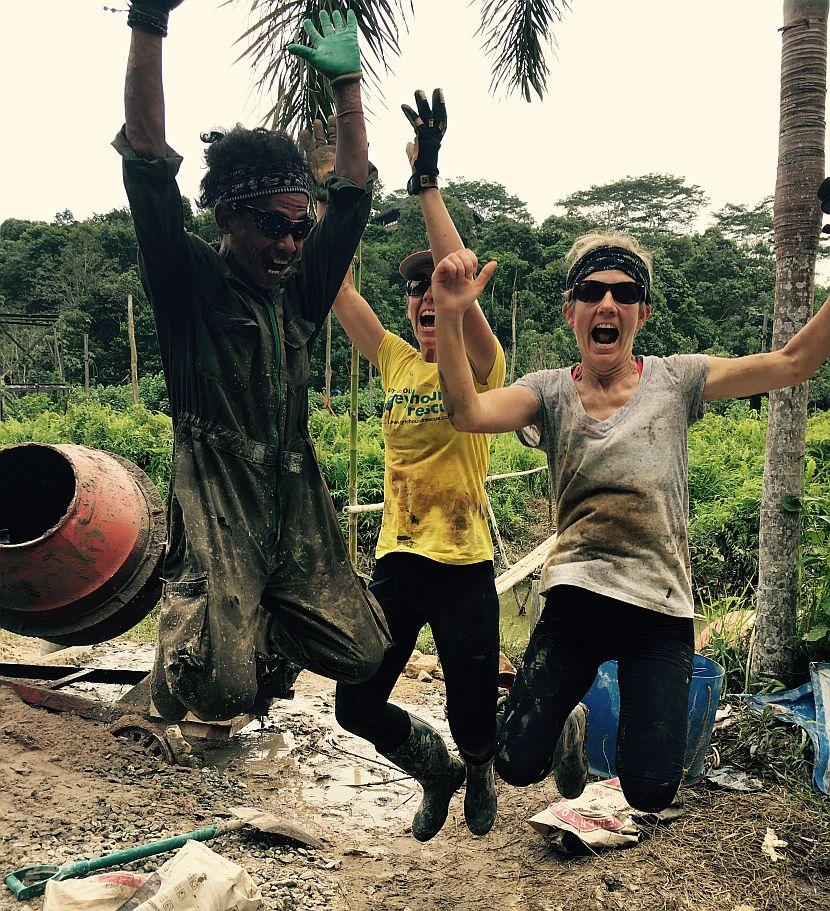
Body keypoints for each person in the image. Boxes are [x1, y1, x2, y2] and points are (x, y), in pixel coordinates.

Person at [431, 233, 830, 813]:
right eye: (592, 292)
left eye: (624, 293)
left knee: (650, 790)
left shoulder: (676, 380)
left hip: (658, 607)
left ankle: (596, 721)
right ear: (571, 310)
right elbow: (466, 411)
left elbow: (794, 363)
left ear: (642, 311)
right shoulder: (547, 392)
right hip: (577, 599)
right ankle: (564, 719)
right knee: (515, 762)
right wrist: (450, 313)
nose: (607, 305)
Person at [114, 1, 389, 723]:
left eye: (300, 228)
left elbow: (352, 198)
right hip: (215, 490)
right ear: (227, 217)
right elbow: (145, 158)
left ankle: (253, 629)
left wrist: (349, 89)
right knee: (220, 690)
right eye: (274, 225)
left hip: (294, 494)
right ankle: (194, 643)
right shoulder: (189, 284)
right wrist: (149, 22)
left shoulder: (297, 298)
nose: (292, 244)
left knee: (365, 649)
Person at [313, 89, 506, 840]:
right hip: (397, 560)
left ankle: (478, 762)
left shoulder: (480, 364)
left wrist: (427, 180)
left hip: (462, 562)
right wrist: (340, 186)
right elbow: (337, 286)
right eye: (415, 289)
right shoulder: (393, 357)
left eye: (436, 287)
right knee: (355, 703)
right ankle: (437, 771)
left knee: (473, 715)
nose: (427, 294)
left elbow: (456, 267)